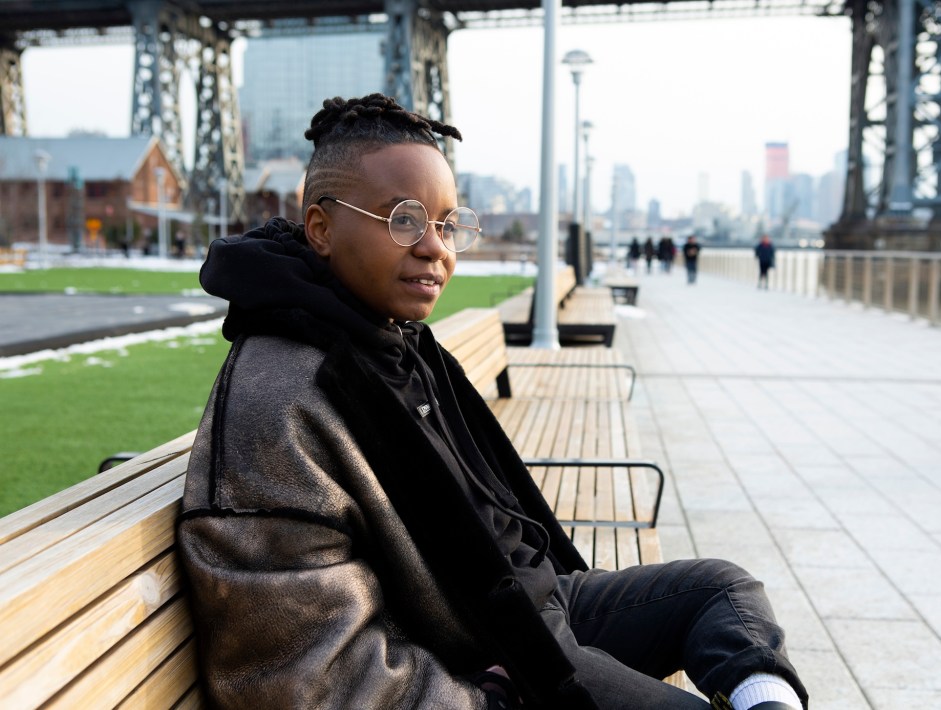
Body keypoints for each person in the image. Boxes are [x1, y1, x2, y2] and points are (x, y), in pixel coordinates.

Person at [177, 93, 807, 710]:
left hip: (532, 610)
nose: (435, 248)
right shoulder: (281, 399)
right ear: (321, 227)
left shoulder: (391, 342)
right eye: (403, 220)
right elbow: (304, 680)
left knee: (723, 592)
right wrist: (490, 698)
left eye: (448, 224)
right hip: (492, 658)